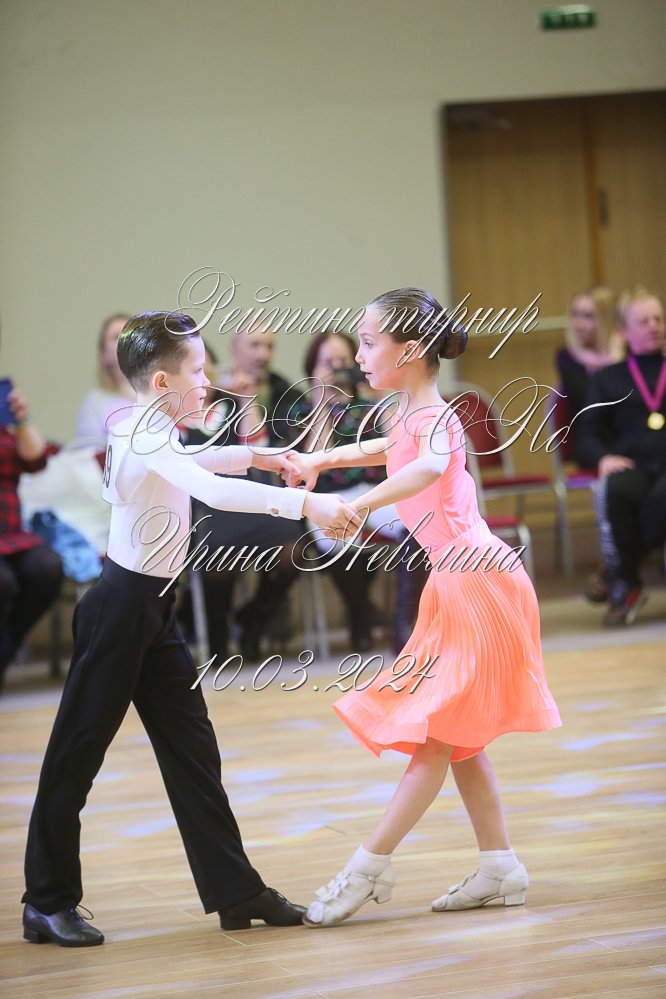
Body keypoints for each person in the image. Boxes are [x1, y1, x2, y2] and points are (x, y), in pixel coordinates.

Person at [21, 312, 360, 947]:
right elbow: (209, 488)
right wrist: (306, 503)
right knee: (76, 755)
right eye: (198, 371)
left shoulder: (153, 429)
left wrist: (261, 455)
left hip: (153, 610)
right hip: (119, 612)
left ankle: (236, 891)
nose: (208, 382)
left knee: (194, 753)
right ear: (161, 382)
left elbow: (197, 459)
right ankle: (45, 900)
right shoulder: (138, 433)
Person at [285, 288, 561, 927]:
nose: (358, 355)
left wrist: (360, 504)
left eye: (368, 342)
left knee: (436, 737)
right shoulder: (404, 413)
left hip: (477, 581)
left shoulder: (437, 416)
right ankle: (500, 865)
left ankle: (369, 865)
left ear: (409, 351)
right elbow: (385, 452)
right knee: (456, 737)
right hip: (457, 580)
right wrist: (320, 459)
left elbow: (426, 468)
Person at [294, 328, 426, 651]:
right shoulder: (302, 410)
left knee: (416, 526)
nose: (338, 369)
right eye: (329, 363)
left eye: (344, 362)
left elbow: (400, 448)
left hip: (378, 491)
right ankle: (360, 612)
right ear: (312, 367)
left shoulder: (369, 402)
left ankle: (405, 623)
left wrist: (382, 394)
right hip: (328, 496)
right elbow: (315, 461)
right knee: (333, 539)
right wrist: (322, 402)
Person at [180, 330, 308, 660]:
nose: (203, 379)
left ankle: (254, 617)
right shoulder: (177, 416)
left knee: (292, 551)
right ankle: (217, 634)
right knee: (217, 559)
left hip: (249, 497)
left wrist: (245, 400)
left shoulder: (230, 404)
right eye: (195, 371)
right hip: (205, 507)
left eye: (206, 370)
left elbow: (259, 448)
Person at [576, 288, 666, 626]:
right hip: (634, 465)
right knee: (619, 488)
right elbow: (586, 432)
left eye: (658, 319)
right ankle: (625, 578)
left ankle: (621, 574)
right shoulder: (608, 378)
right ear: (624, 331)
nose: (654, 326)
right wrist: (602, 458)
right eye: (644, 321)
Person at [0, 384, 63, 690]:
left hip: (10, 531)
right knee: (3, 582)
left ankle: (6, 649)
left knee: (47, 567)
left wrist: (21, 418)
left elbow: (36, 460)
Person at [74, 313, 134, 448]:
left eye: (132, 333)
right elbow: (88, 451)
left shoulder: (160, 392)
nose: (127, 340)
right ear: (104, 354)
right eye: (117, 337)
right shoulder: (94, 401)